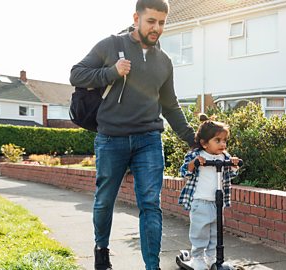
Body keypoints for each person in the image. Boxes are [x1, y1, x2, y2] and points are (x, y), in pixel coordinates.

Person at [69, 0, 195, 269]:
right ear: (136, 17)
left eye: (162, 22)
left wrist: (192, 138)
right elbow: (76, 74)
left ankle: (152, 266)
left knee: (151, 204)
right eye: (151, 21)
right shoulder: (110, 45)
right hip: (111, 138)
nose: (157, 28)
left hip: (148, 139)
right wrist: (111, 72)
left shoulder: (164, 62)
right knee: (105, 200)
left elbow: (170, 106)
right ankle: (101, 248)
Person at [178, 114, 240, 270]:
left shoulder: (224, 157)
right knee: (200, 232)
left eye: (224, 140)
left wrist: (233, 164)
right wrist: (195, 163)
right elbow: (185, 171)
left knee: (215, 233)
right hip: (200, 202)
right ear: (204, 144)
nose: (222, 144)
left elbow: (230, 175)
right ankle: (197, 258)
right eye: (217, 140)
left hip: (217, 203)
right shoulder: (197, 155)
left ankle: (212, 258)